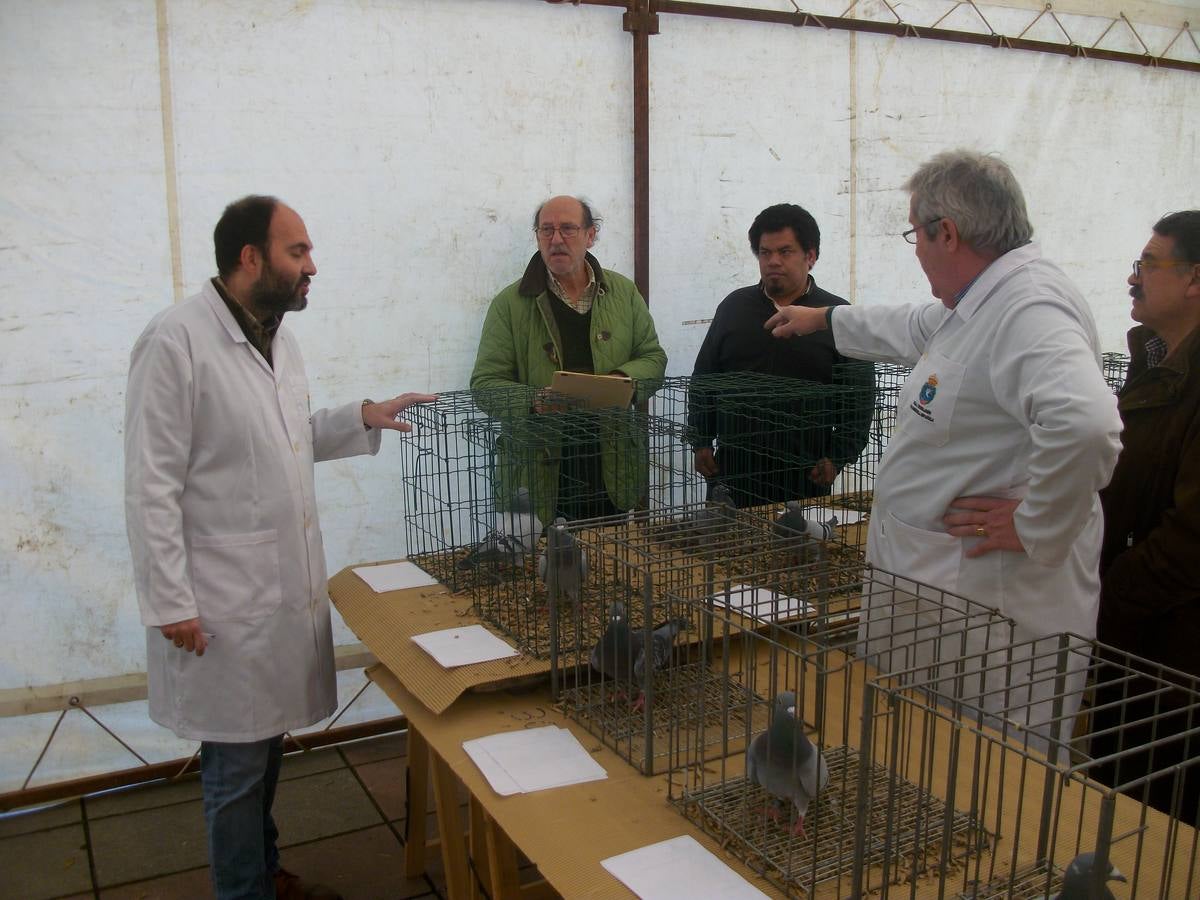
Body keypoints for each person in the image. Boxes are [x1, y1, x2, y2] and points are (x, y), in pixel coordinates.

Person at [124, 195, 436, 900]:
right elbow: (150, 484)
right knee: (235, 768)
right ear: (250, 258)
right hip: (218, 601)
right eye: (298, 252)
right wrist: (169, 601)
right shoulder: (175, 341)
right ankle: (244, 890)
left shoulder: (277, 339)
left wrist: (361, 416)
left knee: (263, 753)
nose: (311, 266)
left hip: (270, 595)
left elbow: (287, 437)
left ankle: (262, 872)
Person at [764, 150, 1122, 746]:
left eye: (915, 235)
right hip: (941, 596)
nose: (916, 250)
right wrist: (823, 319)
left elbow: (1086, 425)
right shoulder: (983, 300)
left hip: (989, 610)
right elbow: (914, 325)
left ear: (947, 233)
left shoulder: (1031, 308)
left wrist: (1037, 522)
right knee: (923, 749)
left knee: (986, 764)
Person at [1090, 210, 1200, 823]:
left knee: (1156, 814)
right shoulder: (1155, 358)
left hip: (1175, 653)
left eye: (1149, 265)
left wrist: (1111, 591)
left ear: (1195, 280)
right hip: (1138, 642)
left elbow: (1191, 541)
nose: (1134, 278)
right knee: (1117, 788)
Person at [470, 195, 667, 523]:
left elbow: (653, 357)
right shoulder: (509, 303)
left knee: (610, 549)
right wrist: (534, 400)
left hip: (609, 462)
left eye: (568, 229)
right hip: (535, 470)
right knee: (539, 554)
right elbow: (484, 385)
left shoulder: (622, 292)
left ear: (591, 235)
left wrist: (619, 381)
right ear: (537, 237)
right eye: (546, 230)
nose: (556, 239)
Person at [689, 203, 874, 508]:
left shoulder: (838, 317)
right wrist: (701, 441)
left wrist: (838, 457)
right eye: (765, 252)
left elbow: (860, 399)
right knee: (728, 537)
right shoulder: (734, 308)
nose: (773, 261)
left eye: (785, 252)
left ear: (810, 256)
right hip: (734, 470)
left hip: (805, 474)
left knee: (796, 538)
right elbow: (704, 379)